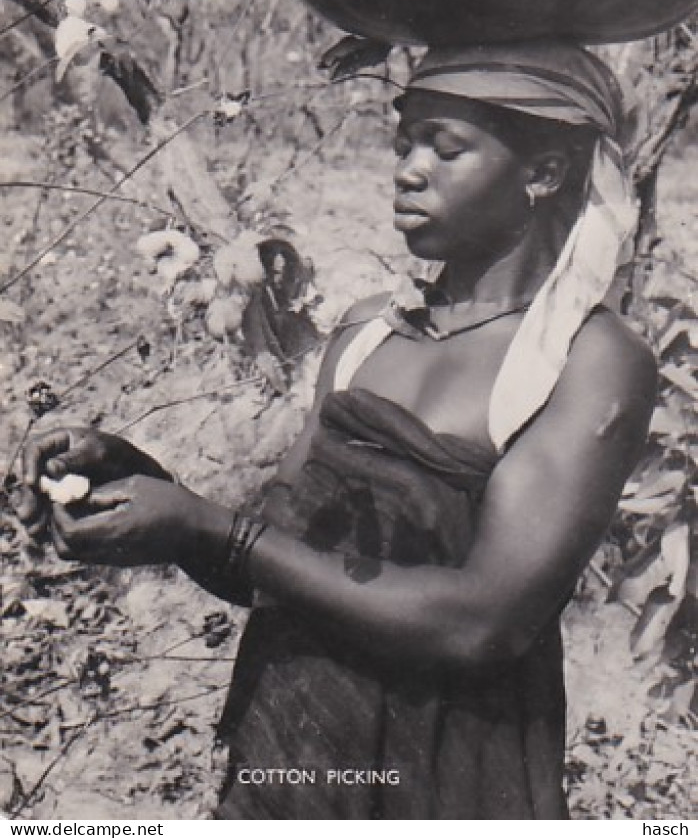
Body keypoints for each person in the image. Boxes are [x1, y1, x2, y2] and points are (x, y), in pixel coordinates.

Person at [18, 41, 657, 820]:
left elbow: (483, 622)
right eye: (404, 141)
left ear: (544, 172)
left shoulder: (585, 361)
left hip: (448, 780)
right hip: (296, 762)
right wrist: (142, 483)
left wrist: (216, 532)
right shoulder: (365, 338)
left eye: (445, 148)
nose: (408, 169)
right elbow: (278, 570)